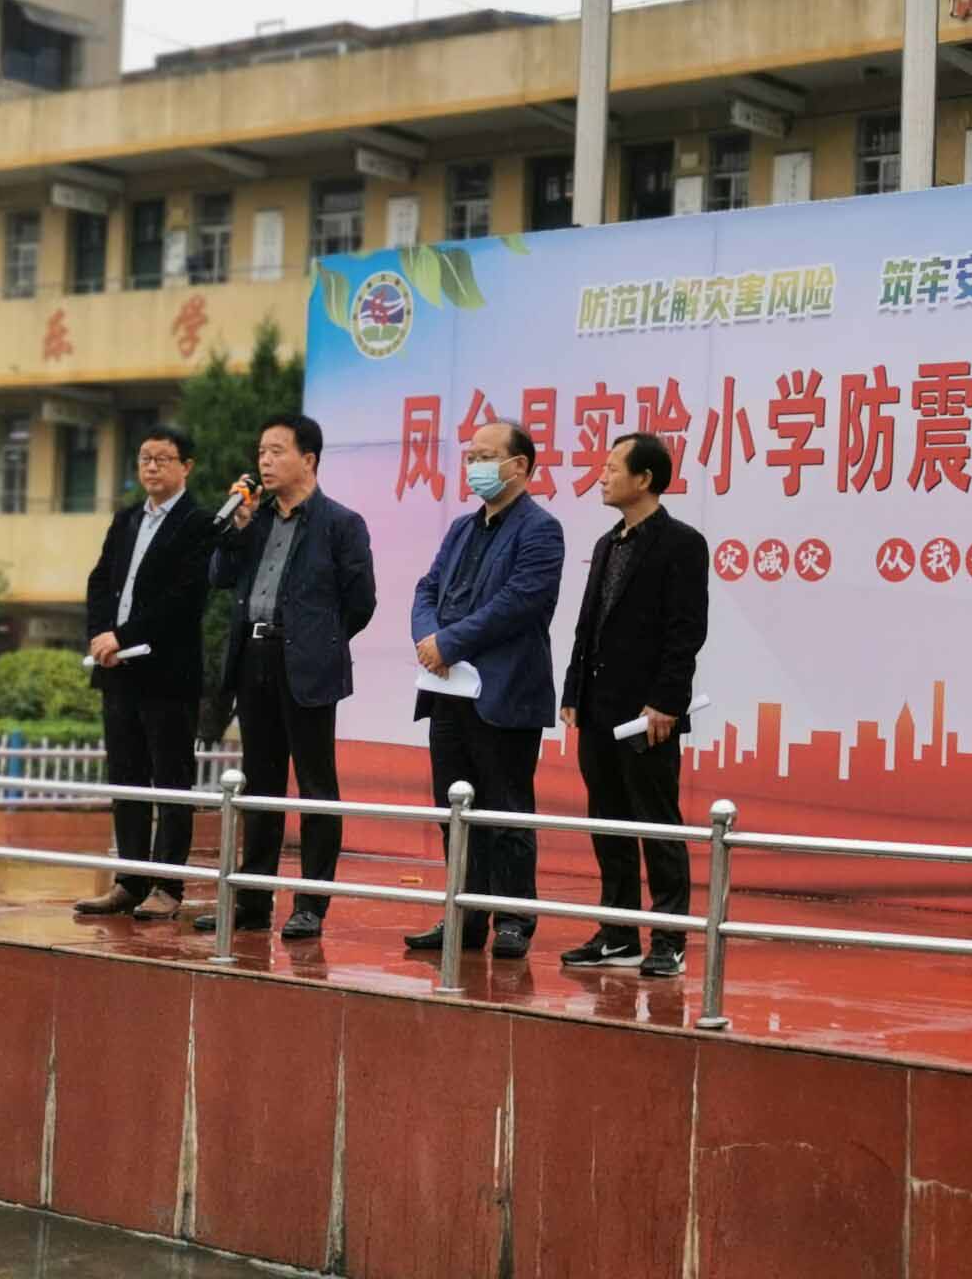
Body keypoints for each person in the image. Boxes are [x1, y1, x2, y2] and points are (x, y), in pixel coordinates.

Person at [196, 413, 376, 940]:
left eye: (277, 451)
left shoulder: (340, 524)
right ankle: (252, 902)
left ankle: (310, 906)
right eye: (261, 452)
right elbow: (219, 576)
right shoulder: (254, 521)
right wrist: (236, 529)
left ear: (309, 459)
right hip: (252, 661)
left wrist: (318, 642)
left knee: (315, 787)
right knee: (260, 786)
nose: (265, 461)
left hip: (307, 666)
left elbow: (361, 603)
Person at [404, 419, 564, 959]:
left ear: (518, 466)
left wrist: (450, 642)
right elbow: (427, 588)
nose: (474, 466)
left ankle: (514, 918)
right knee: (456, 809)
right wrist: (428, 637)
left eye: (485, 456)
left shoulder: (541, 530)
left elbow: (519, 603)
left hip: (505, 693)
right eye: (471, 456)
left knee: (506, 811)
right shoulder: (460, 529)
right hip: (448, 692)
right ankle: (465, 915)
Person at [558, 433, 709, 978]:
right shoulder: (607, 544)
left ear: (644, 479)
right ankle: (618, 932)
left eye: (612, 467)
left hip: (648, 715)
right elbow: (589, 624)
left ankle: (669, 937)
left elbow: (685, 632)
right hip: (597, 708)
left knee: (658, 824)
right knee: (608, 822)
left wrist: (666, 702)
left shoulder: (681, 543)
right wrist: (572, 691)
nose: (601, 476)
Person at [75, 422, 215, 920]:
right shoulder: (127, 519)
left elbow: (184, 600)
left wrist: (125, 636)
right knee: (127, 778)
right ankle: (130, 880)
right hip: (117, 671)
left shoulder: (197, 524)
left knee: (171, 781)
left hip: (167, 674)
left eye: (162, 459)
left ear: (186, 467)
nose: (151, 467)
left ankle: (167, 886)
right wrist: (101, 636)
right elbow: (100, 582)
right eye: (144, 458)